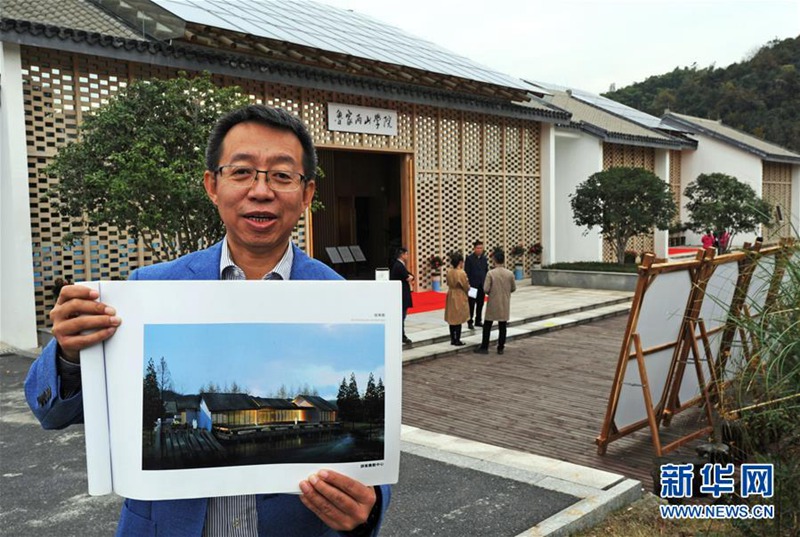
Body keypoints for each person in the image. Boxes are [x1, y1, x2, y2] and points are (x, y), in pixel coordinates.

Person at [24, 105, 390, 537]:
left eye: (281, 175)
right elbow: (52, 413)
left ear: (307, 193)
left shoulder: (344, 301)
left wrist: (368, 509)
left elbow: (375, 464)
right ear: (212, 186)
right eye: (242, 172)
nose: (261, 191)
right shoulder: (149, 289)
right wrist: (69, 354)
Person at [473, 248, 516, 355]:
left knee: (487, 325)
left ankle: (484, 347)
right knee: (502, 326)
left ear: (494, 260)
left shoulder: (491, 273)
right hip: (505, 302)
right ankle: (500, 347)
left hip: (493, 301)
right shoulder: (509, 273)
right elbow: (513, 288)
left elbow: (486, 289)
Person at [389, 246, 414, 346]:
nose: (407, 256)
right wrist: (410, 277)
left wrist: (410, 276)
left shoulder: (400, 265)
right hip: (401, 295)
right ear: (402, 255)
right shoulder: (398, 265)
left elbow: (410, 275)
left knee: (402, 316)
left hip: (402, 293)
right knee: (401, 316)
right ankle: (401, 335)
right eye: (406, 254)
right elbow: (407, 277)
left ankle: (401, 334)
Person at [444, 252, 469, 346]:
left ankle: (452, 339)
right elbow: (465, 285)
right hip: (459, 294)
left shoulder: (449, 271)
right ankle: (457, 339)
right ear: (460, 262)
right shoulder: (461, 272)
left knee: (452, 318)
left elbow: (447, 283)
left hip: (451, 293)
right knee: (458, 318)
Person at [464, 240, 488, 330]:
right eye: (478, 248)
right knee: (471, 304)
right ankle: (470, 321)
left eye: (481, 248)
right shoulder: (470, 259)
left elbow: (486, 271)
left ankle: (478, 320)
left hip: (481, 285)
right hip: (473, 286)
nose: (479, 250)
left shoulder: (484, 259)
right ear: (474, 249)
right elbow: (467, 272)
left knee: (480, 303)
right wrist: (468, 284)